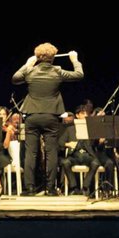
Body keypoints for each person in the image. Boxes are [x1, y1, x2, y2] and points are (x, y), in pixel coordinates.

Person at [12, 43, 84, 195]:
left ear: (38, 57)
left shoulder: (30, 71)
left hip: (32, 115)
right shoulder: (57, 71)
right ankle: (50, 188)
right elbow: (79, 74)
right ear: (52, 58)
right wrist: (74, 60)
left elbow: (15, 78)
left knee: (31, 152)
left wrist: (27, 64)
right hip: (51, 116)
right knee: (51, 152)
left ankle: (29, 188)